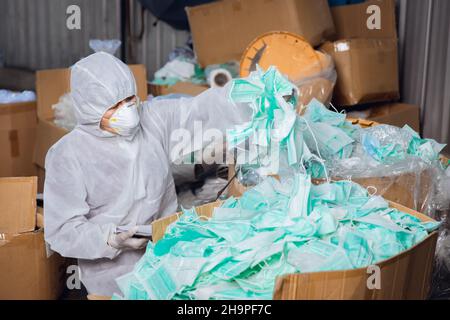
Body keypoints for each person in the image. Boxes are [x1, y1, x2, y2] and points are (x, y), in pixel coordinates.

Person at [44, 52, 250, 296]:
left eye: (130, 99)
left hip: (168, 259)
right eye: (114, 107)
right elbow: (62, 230)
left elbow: (199, 111)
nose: (127, 110)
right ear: (90, 110)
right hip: (111, 280)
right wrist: (110, 239)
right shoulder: (67, 155)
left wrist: (249, 94)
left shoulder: (152, 119)